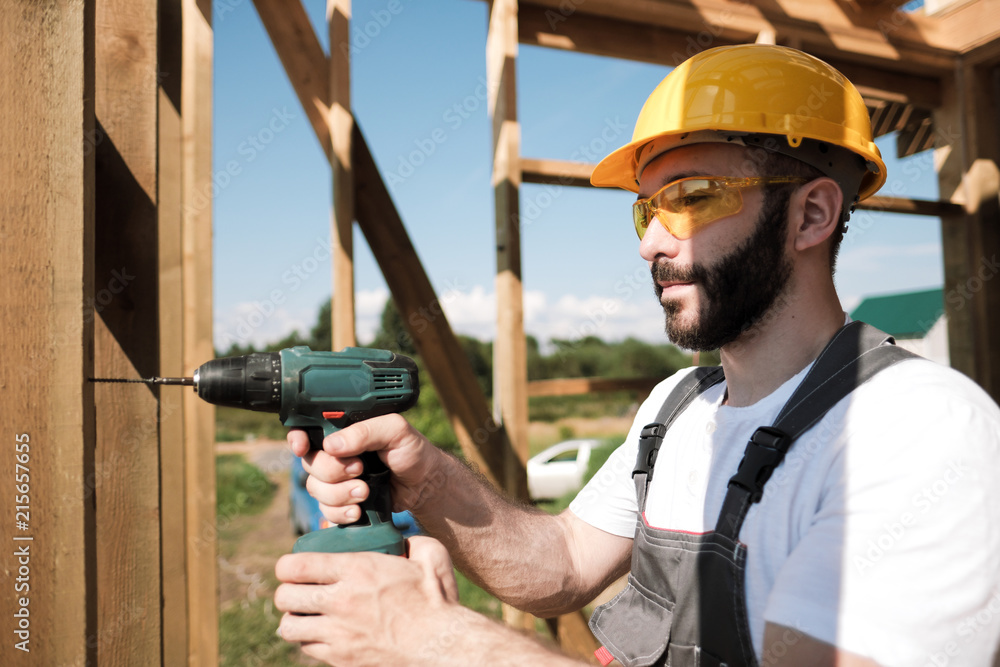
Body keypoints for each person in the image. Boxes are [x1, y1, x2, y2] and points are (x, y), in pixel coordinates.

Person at [273, 44, 1000, 666]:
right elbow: (561, 563)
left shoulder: (921, 430)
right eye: (648, 208)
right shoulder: (679, 406)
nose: (651, 241)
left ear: (811, 214)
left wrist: (428, 636)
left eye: (691, 196)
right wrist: (426, 481)